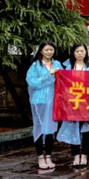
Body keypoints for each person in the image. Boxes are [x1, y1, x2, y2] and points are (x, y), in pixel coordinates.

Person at [57, 42, 89, 168]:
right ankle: (76, 154)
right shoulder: (67, 67)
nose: (80, 53)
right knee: (74, 128)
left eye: (82, 51)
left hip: (87, 102)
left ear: (86, 52)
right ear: (73, 53)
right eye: (77, 51)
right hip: (72, 102)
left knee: (86, 129)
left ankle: (85, 154)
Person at [27, 41, 62, 169]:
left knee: (51, 128)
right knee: (39, 127)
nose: (49, 52)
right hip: (39, 101)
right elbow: (32, 82)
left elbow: (64, 80)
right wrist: (49, 75)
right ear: (41, 51)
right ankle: (40, 156)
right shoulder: (35, 65)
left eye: (51, 49)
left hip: (54, 100)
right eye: (46, 49)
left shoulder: (57, 64)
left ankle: (48, 156)